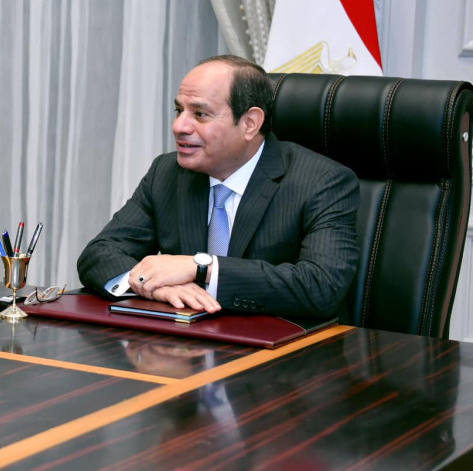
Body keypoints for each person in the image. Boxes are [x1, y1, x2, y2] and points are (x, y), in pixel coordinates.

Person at [77, 55, 360, 318]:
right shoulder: (167, 172)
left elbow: (322, 286)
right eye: (179, 110)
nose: (179, 126)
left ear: (250, 123)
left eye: (200, 114)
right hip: (185, 343)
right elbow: (98, 254)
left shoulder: (321, 181)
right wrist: (153, 286)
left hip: (282, 347)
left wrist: (202, 268)